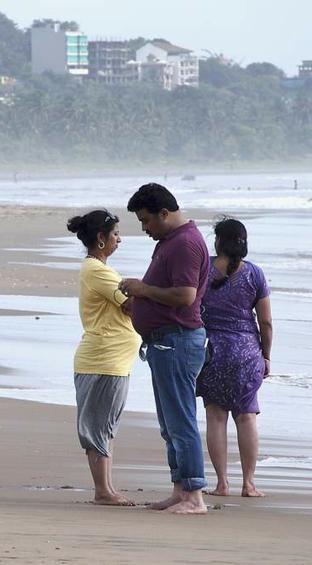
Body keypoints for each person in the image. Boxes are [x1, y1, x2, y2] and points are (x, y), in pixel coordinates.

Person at [120, 183, 210, 514]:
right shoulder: (170, 241)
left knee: (180, 419)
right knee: (169, 422)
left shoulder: (184, 243)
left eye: (146, 221)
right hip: (165, 341)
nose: (144, 228)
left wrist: (143, 289)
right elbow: (169, 291)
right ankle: (180, 488)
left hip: (177, 341)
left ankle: (194, 495)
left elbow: (185, 295)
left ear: (164, 213)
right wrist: (141, 298)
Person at [67, 210, 141, 506]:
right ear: (101, 238)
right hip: (102, 360)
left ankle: (106, 488)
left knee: (106, 426)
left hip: (112, 360)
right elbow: (130, 304)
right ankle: (103, 490)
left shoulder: (99, 270)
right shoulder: (97, 271)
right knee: (99, 427)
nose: (119, 240)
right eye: (115, 234)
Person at [197, 218, 272, 497]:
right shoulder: (255, 274)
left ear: (218, 242)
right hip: (247, 352)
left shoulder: (204, 271)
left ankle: (221, 483)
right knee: (247, 417)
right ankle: (249, 484)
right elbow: (266, 323)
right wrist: (266, 356)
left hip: (213, 349)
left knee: (216, 417)